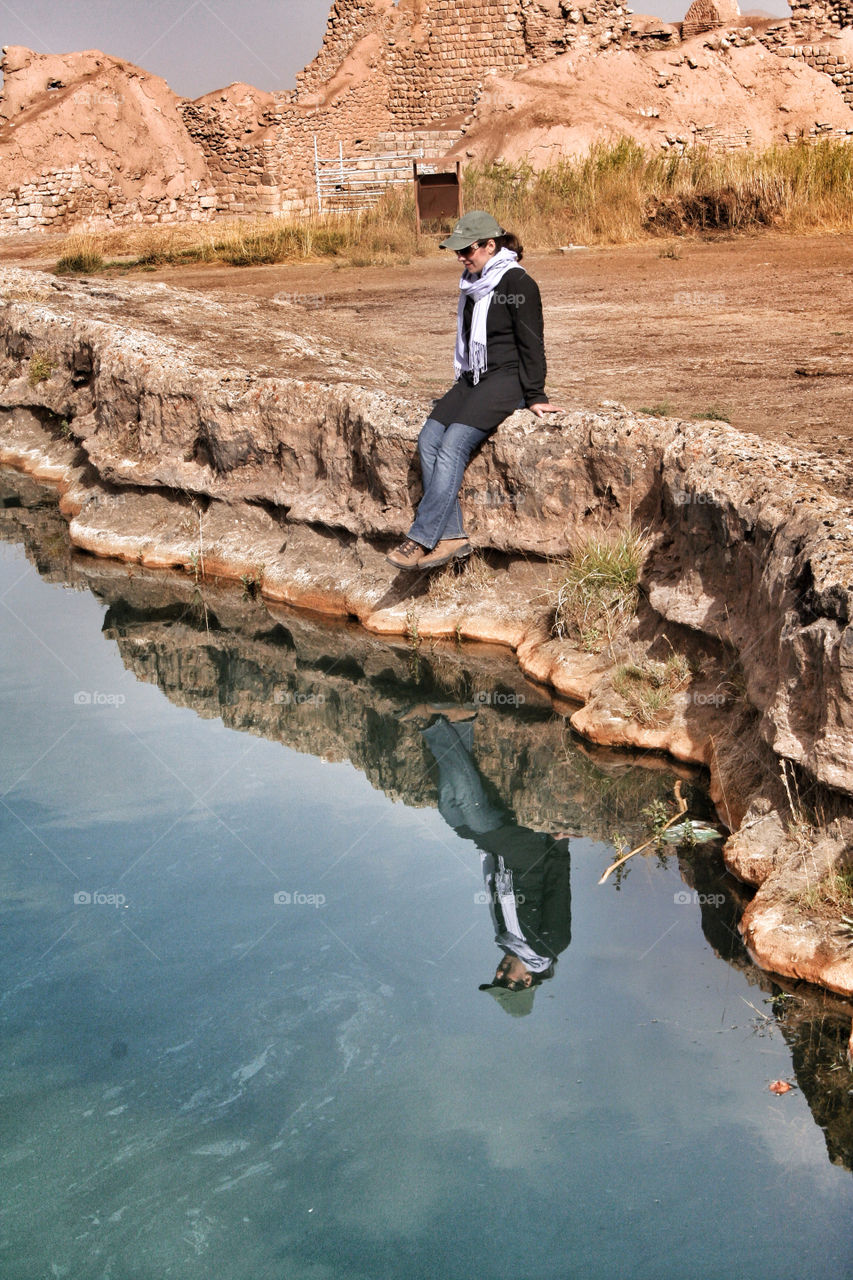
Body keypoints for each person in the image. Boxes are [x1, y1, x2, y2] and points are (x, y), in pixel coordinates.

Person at [387, 210, 564, 571]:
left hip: (506, 379)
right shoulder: (471, 284)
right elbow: (468, 343)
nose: (461, 257)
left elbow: (532, 343)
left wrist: (535, 395)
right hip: (474, 377)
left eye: (468, 250)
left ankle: (421, 537)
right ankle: (452, 535)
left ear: (490, 245)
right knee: (429, 439)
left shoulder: (518, 284)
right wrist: (464, 384)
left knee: (453, 443)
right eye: (457, 252)